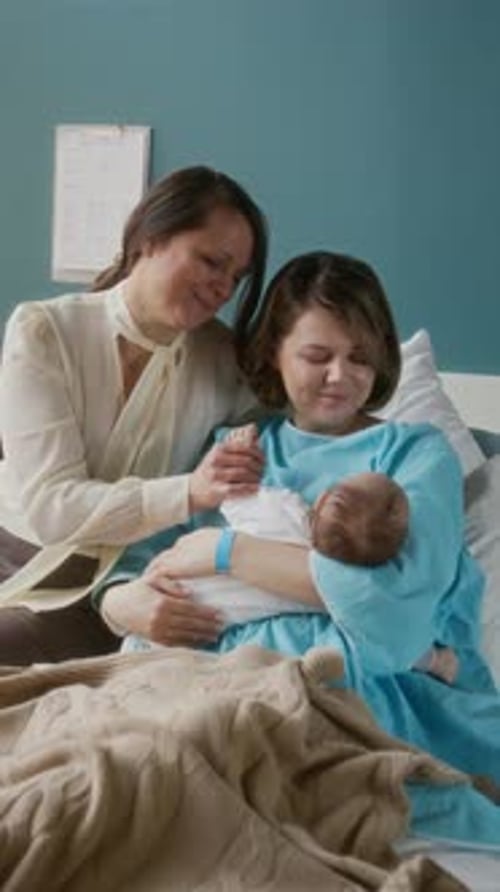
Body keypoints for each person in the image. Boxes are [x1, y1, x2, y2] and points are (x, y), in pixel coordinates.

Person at [97, 250, 500, 846]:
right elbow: (141, 559)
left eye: (360, 357)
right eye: (318, 356)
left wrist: (225, 553)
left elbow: (394, 617)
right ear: (273, 353)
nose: (341, 375)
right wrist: (121, 602)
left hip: (369, 689)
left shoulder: (414, 454)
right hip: (215, 673)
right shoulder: (235, 448)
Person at [0, 165, 269, 664]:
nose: (222, 288)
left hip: (115, 579)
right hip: (16, 549)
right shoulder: (45, 331)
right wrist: (187, 492)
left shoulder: (225, 361)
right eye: (212, 262)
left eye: (235, 278)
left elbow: (294, 437)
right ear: (150, 238)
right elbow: (51, 507)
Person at [121, 421, 458, 682]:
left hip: (172, 614)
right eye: (316, 356)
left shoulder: (284, 510)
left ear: (324, 497)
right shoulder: (332, 597)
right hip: (176, 617)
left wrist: (236, 451)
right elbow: (395, 638)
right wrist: (436, 661)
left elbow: (235, 494)